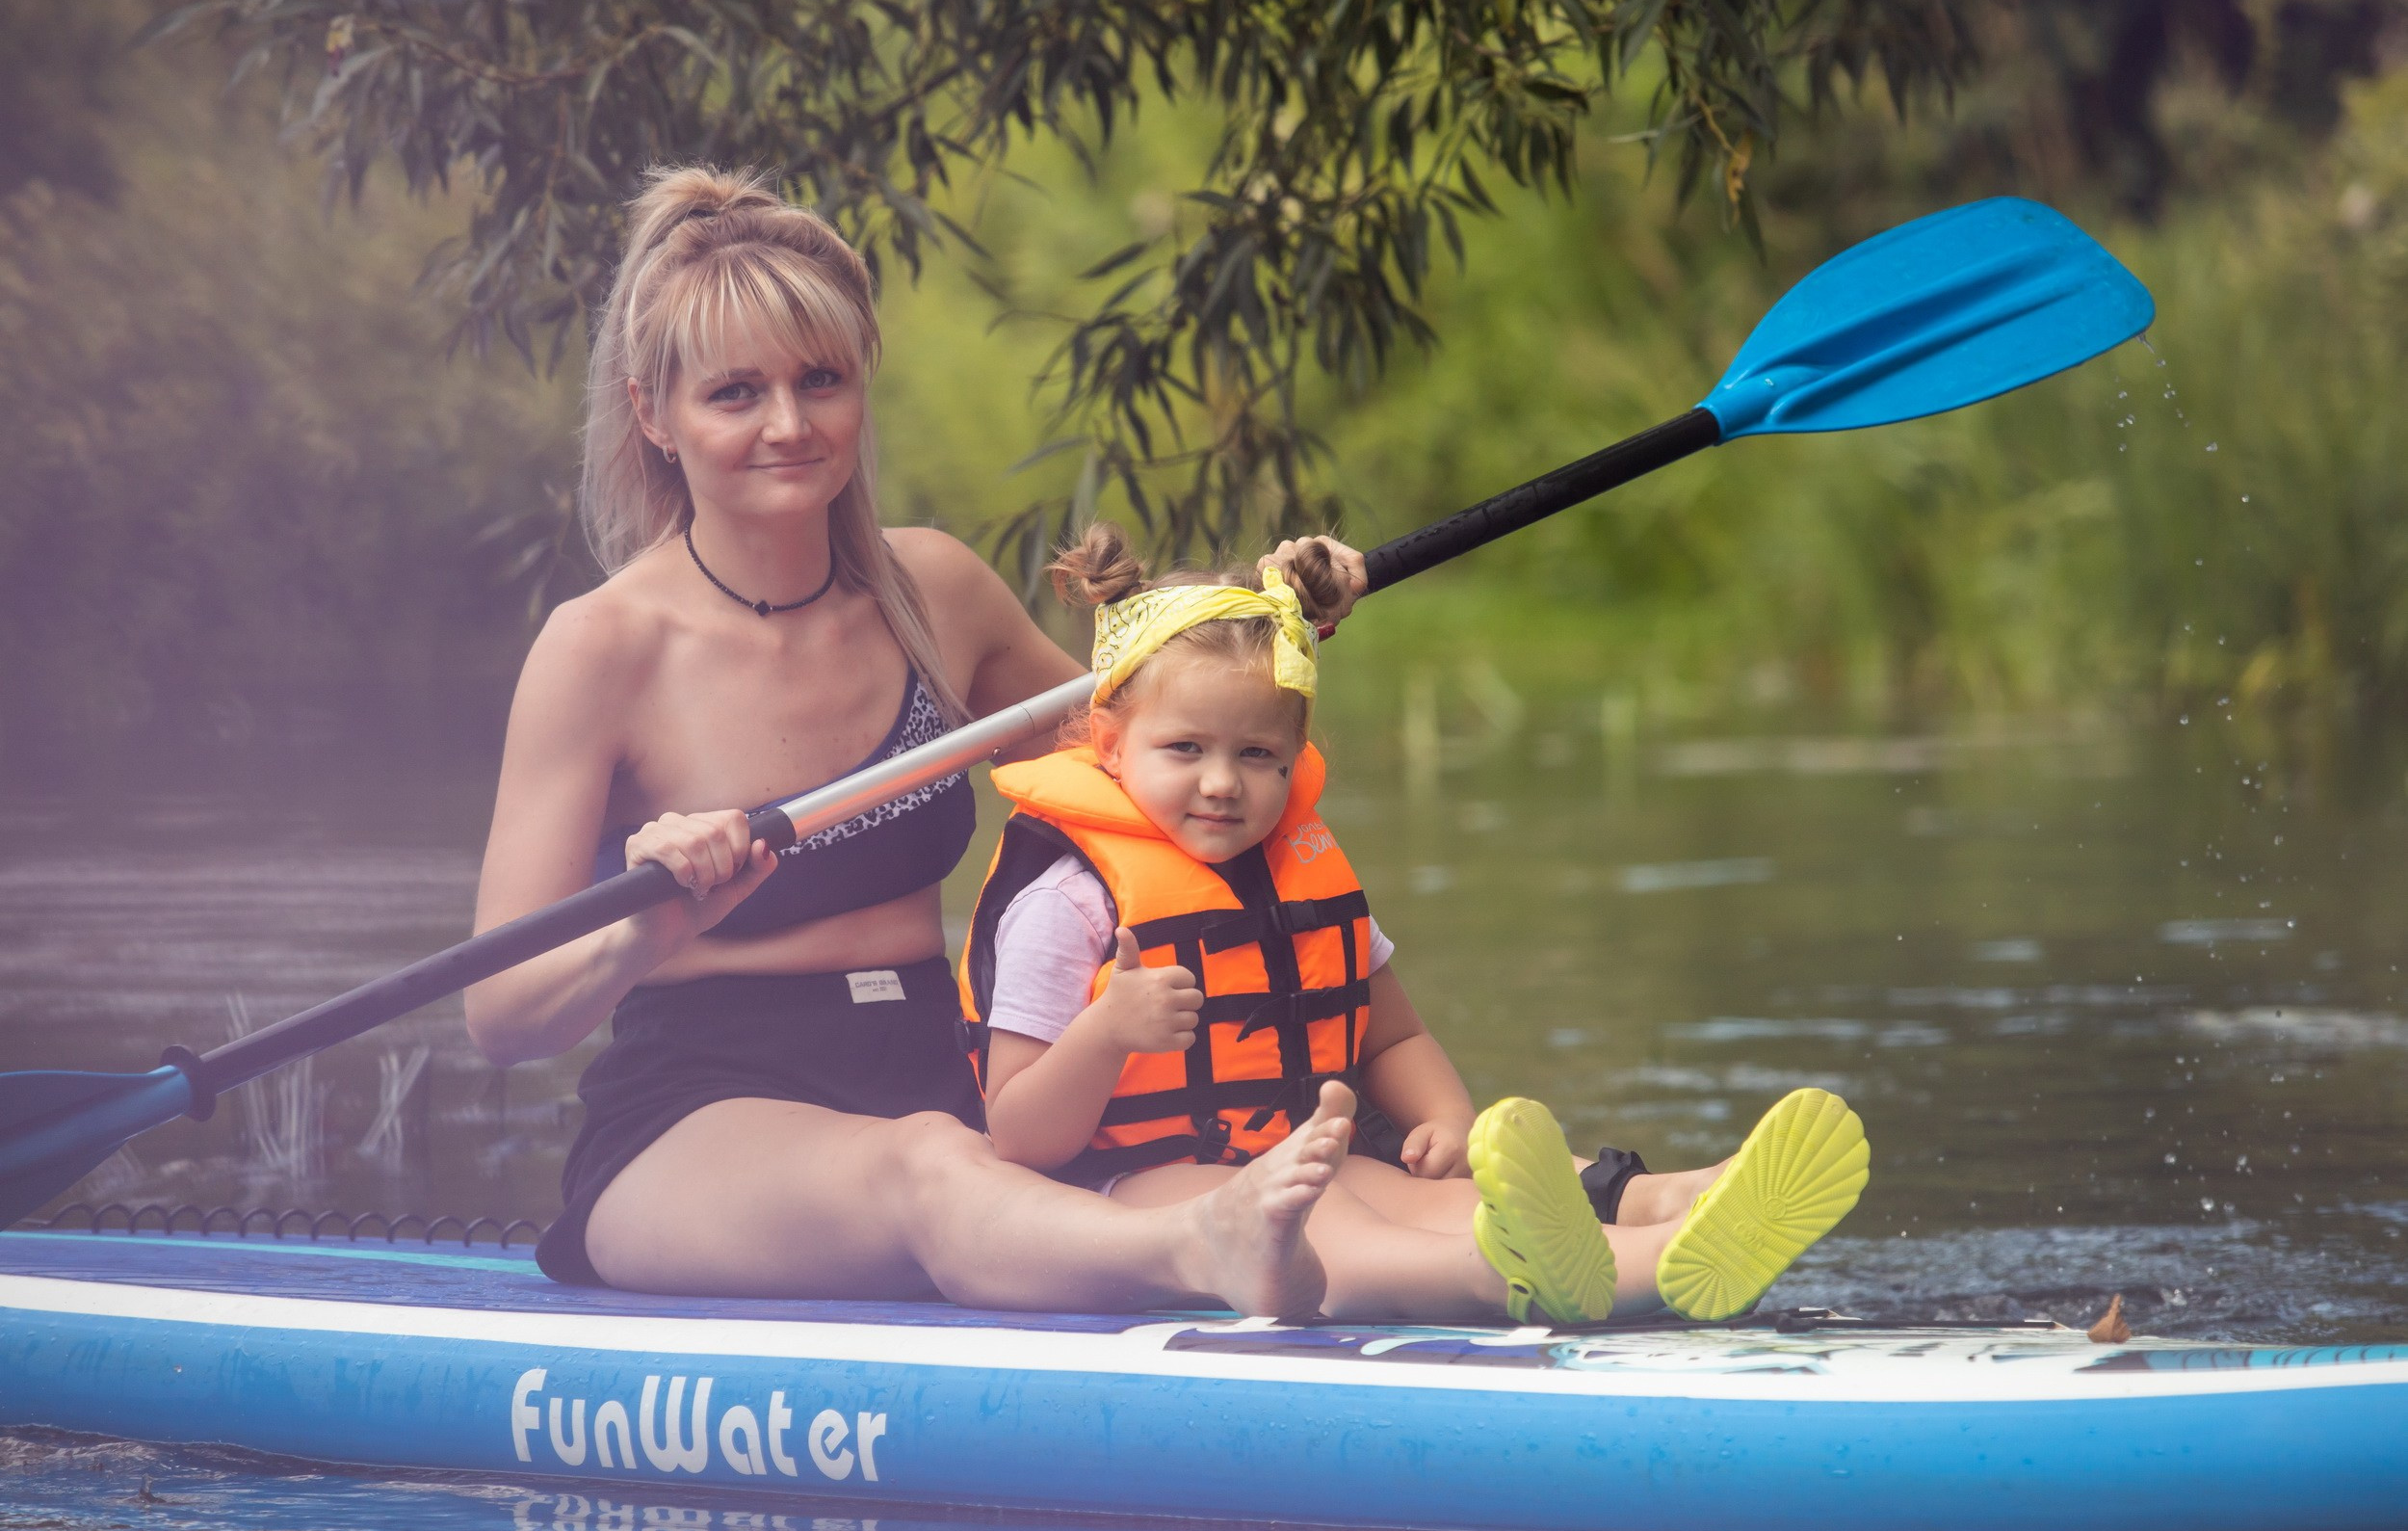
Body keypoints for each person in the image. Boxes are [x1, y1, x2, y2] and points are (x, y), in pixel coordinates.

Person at [463, 163, 1371, 1317]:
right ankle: (1205, 1251)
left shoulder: (933, 588)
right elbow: (499, 1017)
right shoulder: (599, 649)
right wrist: (651, 920)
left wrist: (1274, 616)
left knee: (968, 1147)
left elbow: (1159, 752)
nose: (789, 425)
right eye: (735, 393)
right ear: (655, 414)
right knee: (929, 1163)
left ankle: (1622, 1220)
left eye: (821, 380)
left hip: (940, 1075)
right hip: (696, 1113)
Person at [960, 527, 1873, 1323]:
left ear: (1294, 755)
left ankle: (1681, 1204)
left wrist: (1444, 1116)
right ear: (1112, 747)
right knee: (1338, 1221)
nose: (1222, 782)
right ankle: (1604, 1274)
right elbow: (1020, 1136)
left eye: (1258, 755)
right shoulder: (1067, 901)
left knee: (1420, 1190)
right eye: (1185, 749)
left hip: (1296, 1144)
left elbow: (1389, 1026)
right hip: (1137, 1186)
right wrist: (1107, 1032)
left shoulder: (1291, 866)